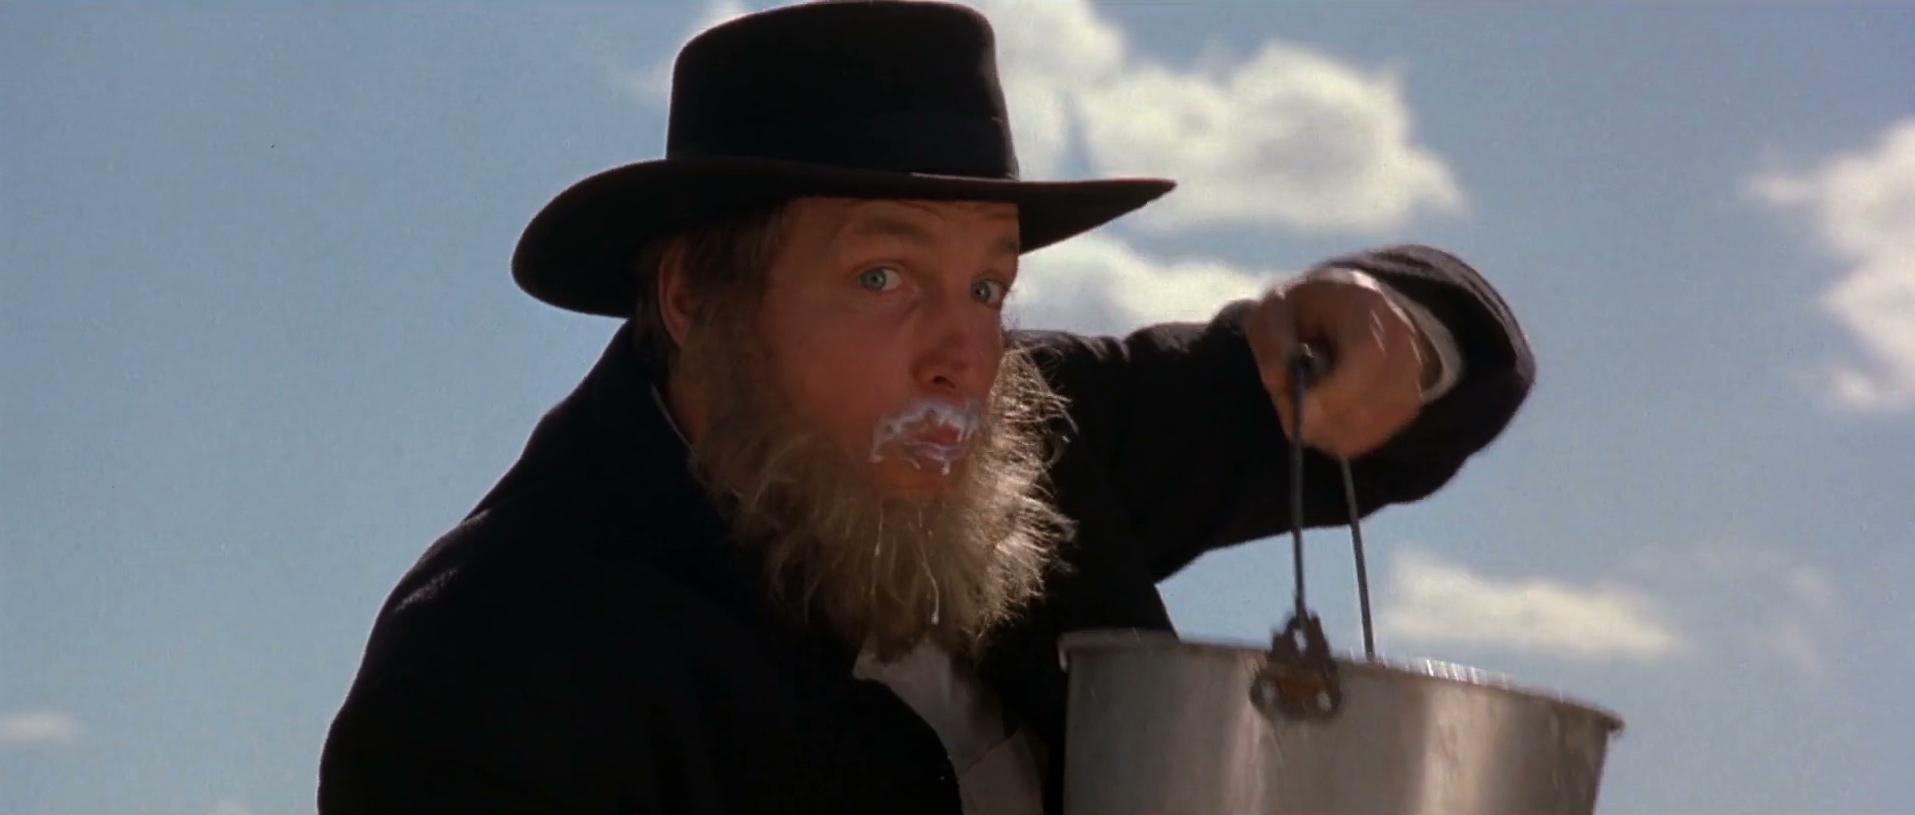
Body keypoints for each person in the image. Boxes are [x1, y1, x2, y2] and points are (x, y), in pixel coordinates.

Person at [315, 2, 1534, 814]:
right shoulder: (490, 660)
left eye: (989, 285)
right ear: (690, 293)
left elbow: (1448, 382)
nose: (964, 356)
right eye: (882, 277)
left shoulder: (1033, 441)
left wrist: (1386, 328)